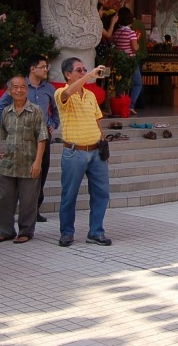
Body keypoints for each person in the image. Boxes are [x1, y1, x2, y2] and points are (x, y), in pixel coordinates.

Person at [0, 53, 59, 223]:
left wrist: (53, 123)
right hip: (19, 140)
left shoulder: (49, 88)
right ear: (32, 69)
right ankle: (3, 214)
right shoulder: (19, 86)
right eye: (43, 67)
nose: (46, 70)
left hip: (42, 139)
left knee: (39, 173)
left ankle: (34, 210)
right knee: (12, 176)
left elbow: (56, 109)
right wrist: (8, 127)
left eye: (46, 67)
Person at [55, 58, 111, 248]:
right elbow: (68, 92)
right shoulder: (61, 93)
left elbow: (97, 121)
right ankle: (67, 233)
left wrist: (103, 144)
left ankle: (96, 232)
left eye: (84, 70)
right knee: (69, 195)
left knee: (101, 194)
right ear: (67, 75)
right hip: (74, 152)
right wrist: (89, 76)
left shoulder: (90, 96)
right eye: (78, 70)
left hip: (96, 151)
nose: (83, 73)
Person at [0, 76, 48, 244]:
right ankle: (5, 230)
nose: (19, 90)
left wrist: (38, 162)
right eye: (15, 87)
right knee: (5, 199)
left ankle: (25, 231)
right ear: (9, 91)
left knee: (28, 200)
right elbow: (5, 136)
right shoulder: (5, 112)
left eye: (22, 87)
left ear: (27, 90)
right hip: (9, 164)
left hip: (29, 163)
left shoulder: (36, 110)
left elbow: (42, 137)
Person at [111, 7, 142, 116]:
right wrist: (137, 41)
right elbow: (135, 48)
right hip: (130, 60)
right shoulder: (131, 33)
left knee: (121, 84)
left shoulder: (116, 32)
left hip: (119, 61)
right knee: (137, 84)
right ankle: (130, 106)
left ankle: (120, 106)